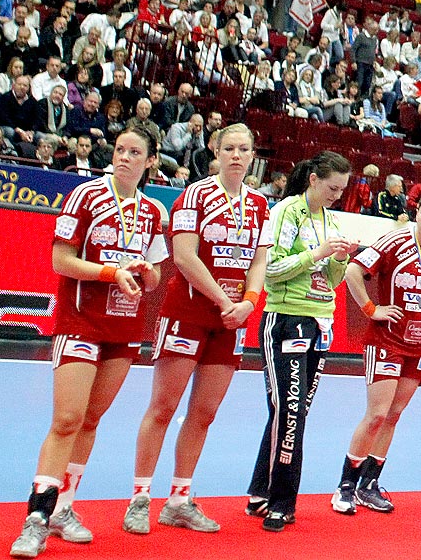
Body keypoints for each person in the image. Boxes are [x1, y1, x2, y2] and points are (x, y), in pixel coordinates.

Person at [10, 126, 167, 559]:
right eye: (120, 150)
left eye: (135, 152)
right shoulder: (86, 196)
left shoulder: (153, 211)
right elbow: (60, 259)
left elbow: (154, 273)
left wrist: (145, 275)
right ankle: (35, 520)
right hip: (80, 323)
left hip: (124, 330)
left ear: (150, 160)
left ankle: (63, 508)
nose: (125, 157)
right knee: (67, 420)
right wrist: (109, 272)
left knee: (92, 420)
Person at [127, 125, 269, 535]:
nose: (236, 156)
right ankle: (139, 497)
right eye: (229, 148)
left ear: (253, 153)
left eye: (244, 149)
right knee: (163, 407)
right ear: (216, 150)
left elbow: (258, 260)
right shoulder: (196, 194)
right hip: (189, 313)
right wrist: (225, 301)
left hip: (230, 321)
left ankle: (179, 500)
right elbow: (184, 257)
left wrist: (248, 301)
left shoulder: (259, 203)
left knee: (204, 414)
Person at [247, 151, 355, 532]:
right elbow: (271, 270)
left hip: (320, 322)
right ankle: (282, 501)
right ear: (312, 178)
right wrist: (318, 253)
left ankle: (260, 490)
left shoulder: (331, 220)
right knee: (290, 411)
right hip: (286, 318)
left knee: (291, 412)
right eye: (331, 188)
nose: (336, 196)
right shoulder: (286, 213)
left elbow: (335, 280)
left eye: (342, 190)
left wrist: (340, 258)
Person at [333, 189, 421, 514]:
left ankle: (369, 485)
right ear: (417, 214)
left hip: (419, 344)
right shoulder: (394, 241)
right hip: (386, 341)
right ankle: (345, 486)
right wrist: (372, 309)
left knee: (394, 415)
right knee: (376, 414)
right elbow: (352, 272)